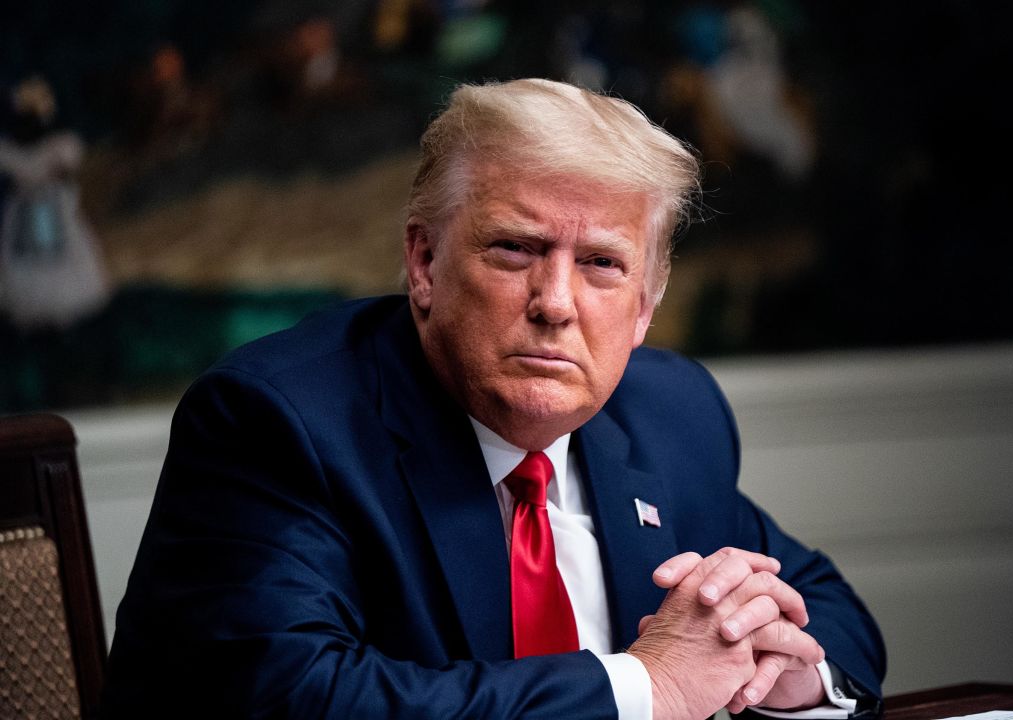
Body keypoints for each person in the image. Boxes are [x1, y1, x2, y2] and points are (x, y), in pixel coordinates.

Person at [104, 78, 885, 719]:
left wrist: (785, 676)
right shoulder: (278, 422)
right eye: (515, 249)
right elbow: (297, 699)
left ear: (646, 304)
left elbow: (820, 603)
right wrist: (649, 686)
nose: (555, 302)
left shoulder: (671, 413)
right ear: (424, 262)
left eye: (603, 265)